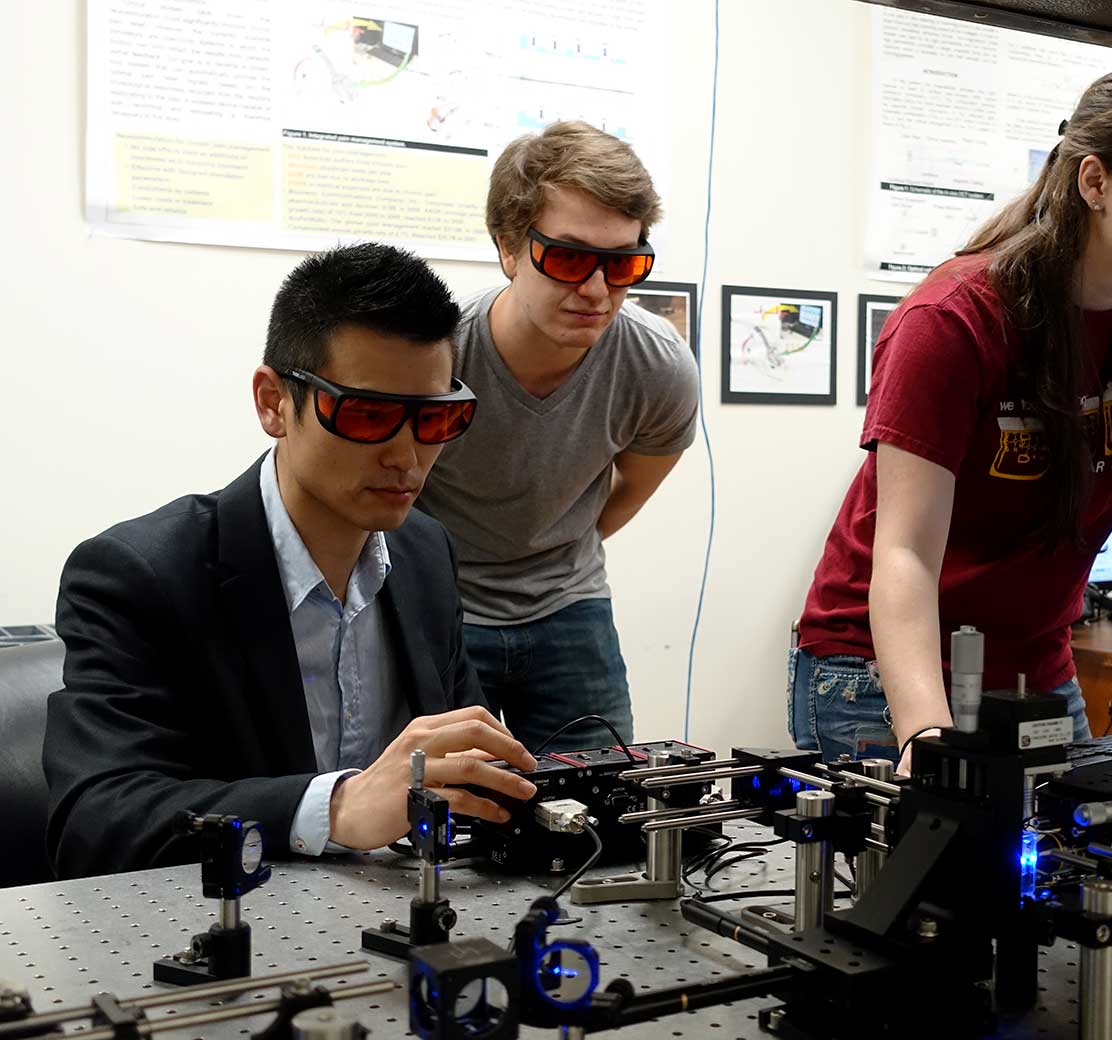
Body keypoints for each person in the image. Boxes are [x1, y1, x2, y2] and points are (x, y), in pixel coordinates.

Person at [791, 65, 1112, 775]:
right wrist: (924, 738)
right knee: (936, 877)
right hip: (881, 674)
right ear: (1096, 182)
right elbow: (902, 554)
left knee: (1063, 877)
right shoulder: (952, 319)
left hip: (1037, 668)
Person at [45, 243, 539, 879]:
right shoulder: (140, 574)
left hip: (397, 927)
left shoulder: (424, 553)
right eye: (368, 415)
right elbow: (95, 821)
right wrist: (334, 807)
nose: (406, 456)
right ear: (274, 403)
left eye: (435, 418)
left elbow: (455, 769)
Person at [416, 121, 699, 751]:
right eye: (569, 258)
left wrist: (555, 549)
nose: (597, 291)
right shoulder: (441, 357)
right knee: (445, 810)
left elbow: (626, 492)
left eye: (623, 263)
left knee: (603, 806)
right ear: (509, 247)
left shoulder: (657, 367)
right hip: (442, 607)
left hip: (572, 608)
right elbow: (387, 503)